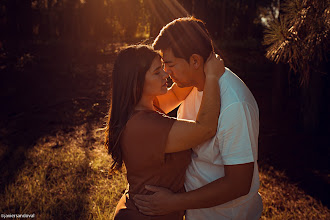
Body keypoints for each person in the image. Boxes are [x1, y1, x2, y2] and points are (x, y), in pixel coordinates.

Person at [133, 17, 263, 220]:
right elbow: (153, 106)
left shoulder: (234, 105)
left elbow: (239, 183)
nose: (166, 73)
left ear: (195, 61)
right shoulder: (190, 85)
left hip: (225, 215)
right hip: (195, 211)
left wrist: (174, 202)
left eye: (170, 65)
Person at [105, 44, 225, 220]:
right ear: (136, 82)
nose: (165, 74)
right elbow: (205, 128)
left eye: (162, 68)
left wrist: (196, 66)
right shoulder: (144, 126)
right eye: (156, 72)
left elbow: (177, 94)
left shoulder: (146, 106)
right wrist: (213, 77)